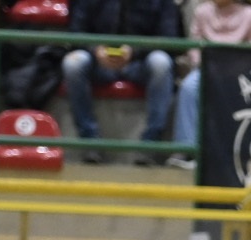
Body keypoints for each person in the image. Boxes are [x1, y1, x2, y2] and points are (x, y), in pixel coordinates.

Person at [62, 0, 181, 164]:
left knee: (161, 62)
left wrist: (135, 51)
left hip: (140, 63)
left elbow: (169, 38)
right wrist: (96, 50)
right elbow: (75, 32)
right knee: (73, 63)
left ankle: (151, 143)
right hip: (98, 63)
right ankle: (90, 140)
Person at [167, 0, 251, 169]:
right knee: (189, 87)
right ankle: (187, 150)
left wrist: (236, 68)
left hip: (239, 72)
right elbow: (194, 46)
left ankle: (240, 152)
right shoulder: (202, 11)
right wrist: (202, 64)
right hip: (207, 68)